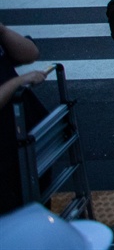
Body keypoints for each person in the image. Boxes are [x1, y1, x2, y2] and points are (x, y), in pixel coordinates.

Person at [0, 22, 52, 213]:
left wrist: (3, 30)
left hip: (23, 137)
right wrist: (18, 82)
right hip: (5, 152)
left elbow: (30, 54)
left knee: (38, 193)